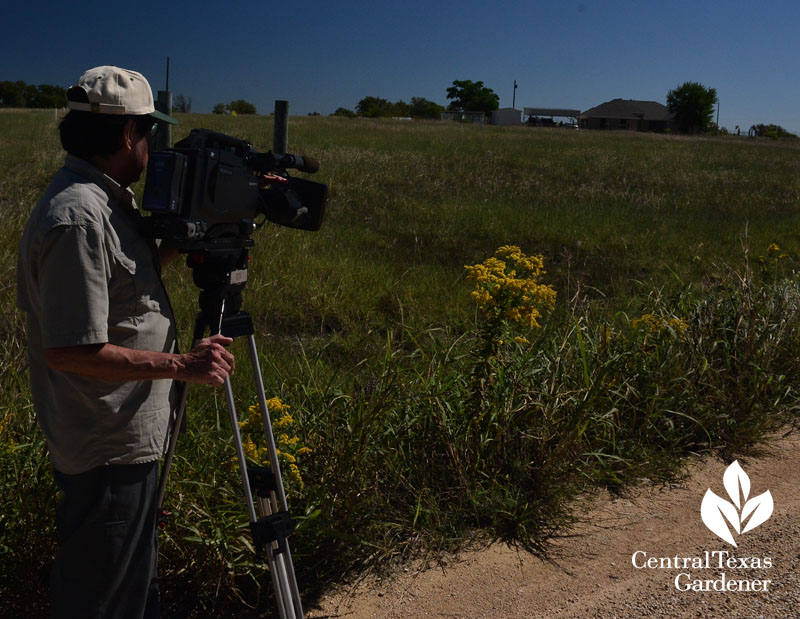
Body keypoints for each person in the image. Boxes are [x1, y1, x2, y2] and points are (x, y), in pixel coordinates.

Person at [16, 66, 235, 619]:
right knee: (103, 595)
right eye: (147, 133)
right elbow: (71, 351)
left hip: (117, 436)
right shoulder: (80, 217)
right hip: (105, 444)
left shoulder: (105, 201)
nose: (152, 148)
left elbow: (120, 284)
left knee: (129, 585)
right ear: (125, 136)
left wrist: (188, 242)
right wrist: (183, 364)